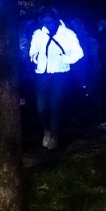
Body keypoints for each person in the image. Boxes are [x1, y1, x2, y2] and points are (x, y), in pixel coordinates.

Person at [28, 9, 85, 150]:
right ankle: (47, 130)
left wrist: (65, 59)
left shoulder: (68, 34)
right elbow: (32, 52)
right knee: (41, 107)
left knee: (55, 105)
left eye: (50, 21)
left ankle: (54, 135)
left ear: (55, 19)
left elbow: (79, 52)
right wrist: (36, 59)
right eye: (45, 21)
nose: (48, 24)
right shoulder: (38, 34)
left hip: (60, 74)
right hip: (42, 74)